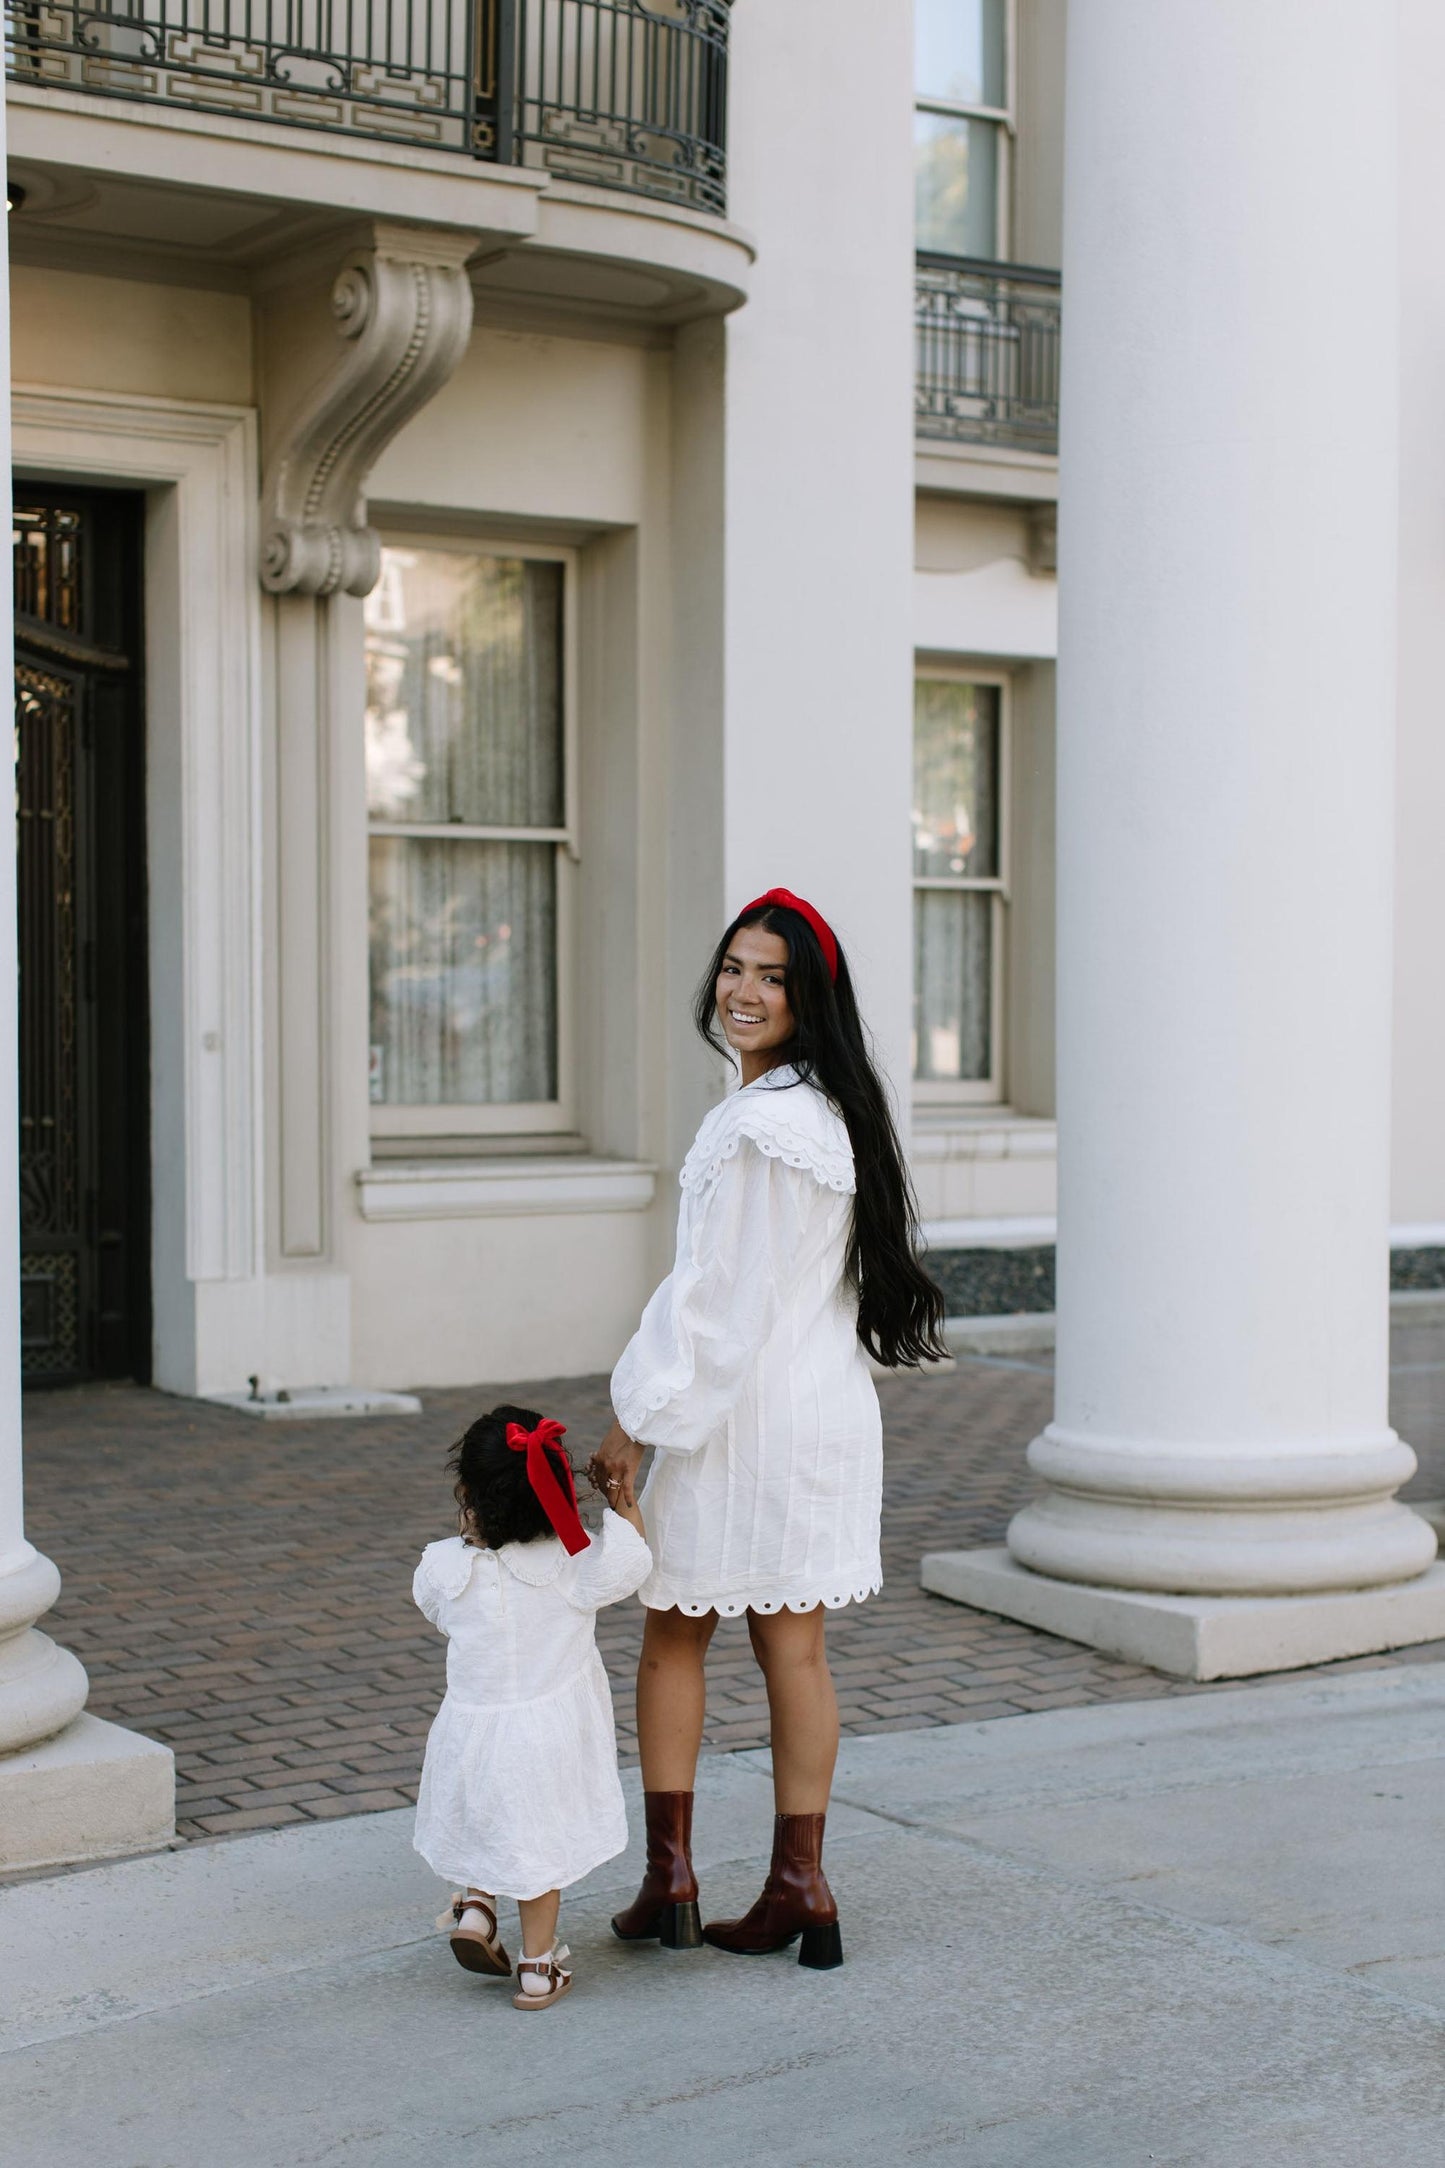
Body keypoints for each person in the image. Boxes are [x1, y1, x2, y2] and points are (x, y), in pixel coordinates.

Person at [589, 887, 946, 1971]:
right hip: (814, 1410)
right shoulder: (826, 1112)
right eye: (734, 967)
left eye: (772, 976)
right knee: (794, 1644)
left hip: (742, 1422)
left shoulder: (758, 1125)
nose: (743, 990)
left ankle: (672, 1876)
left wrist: (632, 1422)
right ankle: (800, 1882)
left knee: (671, 1635)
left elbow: (716, 1305)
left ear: (808, 997)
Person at [412, 1403, 651, 2012]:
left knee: (487, 1818)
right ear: (557, 1488)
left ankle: (476, 1907)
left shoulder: (443, 1567)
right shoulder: (576, 1564)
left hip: (471, 1729)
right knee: (536, 1846)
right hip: (545, 1737)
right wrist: (620, 1496)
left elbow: (439, 1612)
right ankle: (539, 1968)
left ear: (466, 1491)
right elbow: (633, 1561)